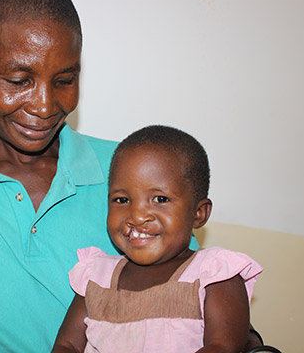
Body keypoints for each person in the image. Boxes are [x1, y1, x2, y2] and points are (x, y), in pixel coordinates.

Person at [0, 0, 263, 352]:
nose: (45, 105)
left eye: (64, 80)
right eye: (18, 80)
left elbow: (198, 304)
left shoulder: (135, 174)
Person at [52, 125, 263, 353]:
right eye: (122, 200)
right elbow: (67, 345)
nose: (137, 215)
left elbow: (224, 347)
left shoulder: (214, 274)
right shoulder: (95, 277)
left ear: (198, 213)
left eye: (160, 199)